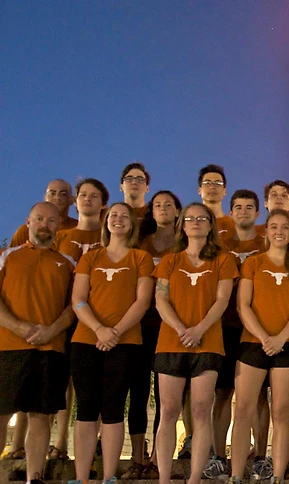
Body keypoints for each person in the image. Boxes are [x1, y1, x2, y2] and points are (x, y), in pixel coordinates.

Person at [152, 203, 238, 484]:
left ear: (211, 225)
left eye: (202, 218)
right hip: (171, 342)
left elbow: (222, 300)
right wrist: (180, 328)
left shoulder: (223, 261)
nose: (196, 222)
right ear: (182, 225)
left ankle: (194, 478)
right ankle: (163, 476)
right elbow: (160, 299)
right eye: (190, 218)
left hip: (208, 342)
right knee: (168, 410)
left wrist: (199, 329)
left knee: (202, 410)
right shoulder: (170, 261)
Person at [69, 202, 154, 483]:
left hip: (126, 341)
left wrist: (115, 331)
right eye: (113, 215)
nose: (118, 220)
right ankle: (81, 477)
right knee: (86, 409)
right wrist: (99, 329)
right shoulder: (91, 258)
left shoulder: (140, 258)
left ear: (132, 224)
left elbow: (142, 301)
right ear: (106, 222)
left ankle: (108, 476)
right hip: (86, 340)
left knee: (114, 408)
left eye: (124, 216)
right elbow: (79, 299)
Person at [230, 209, 289, 484]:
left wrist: (280, 338)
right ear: (265, 232)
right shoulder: (253, 263)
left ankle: (277, 474)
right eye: (273, 226)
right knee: (243, 409)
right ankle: (236, 474)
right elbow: (243, 304)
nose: (279, 231)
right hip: (254, 343)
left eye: (285, 227)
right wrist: (264, 336)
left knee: (280, 410)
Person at [0, 202, 75, 484]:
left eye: (51, 220)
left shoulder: (67, 264)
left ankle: (35, 477)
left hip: (50, 350)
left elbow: (72, 307)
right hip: (8, 347)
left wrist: (51, 330)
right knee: (1, 412)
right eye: (39, 219)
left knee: (41, 416)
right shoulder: (7, 257)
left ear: (58, 226)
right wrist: (18, 327)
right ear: (28, 222)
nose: (45, 224)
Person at [203, 189, 267, 479]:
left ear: (257, 213)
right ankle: (218, 454)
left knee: (258, 397)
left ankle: (260, 454)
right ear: (231, 212)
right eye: (238, 207)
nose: (243, 212)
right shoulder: (218, 246)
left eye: (249, 207)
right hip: (224, 326)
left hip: (257, 329)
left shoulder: (265, 245)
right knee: (223, 392)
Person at [121, 190, 182, 480]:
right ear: (152, 212)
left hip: (172, 328)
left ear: (177, 211)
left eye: (168, 205)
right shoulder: (141, 245)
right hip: (141, 326)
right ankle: (137, 453)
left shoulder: (185, 245)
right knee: (138, 390)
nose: (162, 209)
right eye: (157, 205)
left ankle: (159, 455)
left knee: (165, 396)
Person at [52, 178, 109, 461]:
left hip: (98, 320)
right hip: (64, 317)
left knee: (94, 384)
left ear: (103, 204)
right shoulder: (61, 237)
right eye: (83, 195)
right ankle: (60, 442)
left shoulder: (108, 238)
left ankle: (98, 439)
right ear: (76, 202)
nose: (87, 200)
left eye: (94, 196)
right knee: (64, 383)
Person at [10, 179, 78, 247]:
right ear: (45, 198)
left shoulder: (78, 228)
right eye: (52, 193)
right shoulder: (26, 230)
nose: (57, 198)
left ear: (72, 200)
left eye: (63, 194)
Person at [198, 164, 236, 241]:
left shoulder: (235, 225)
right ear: (199, 190)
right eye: (207, 183)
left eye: (218, 183)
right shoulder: (191, 224)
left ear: (225, 191)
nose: (212, 187)